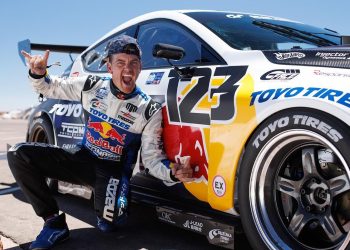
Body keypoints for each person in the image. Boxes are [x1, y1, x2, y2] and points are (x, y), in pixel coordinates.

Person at [7, 35, 193, 250]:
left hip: (114, 171)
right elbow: (51, 87)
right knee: (18, 154)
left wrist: (172, 173)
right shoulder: (91, 85)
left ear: (140, 67)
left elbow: (152, 158)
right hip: (82, 158)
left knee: (112, 223)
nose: (128, 70)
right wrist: (38, 73)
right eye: (120, 63)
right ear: (109, 66)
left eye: (133, 63)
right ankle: (53, 223)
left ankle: (104, 198)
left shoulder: (148, 110)